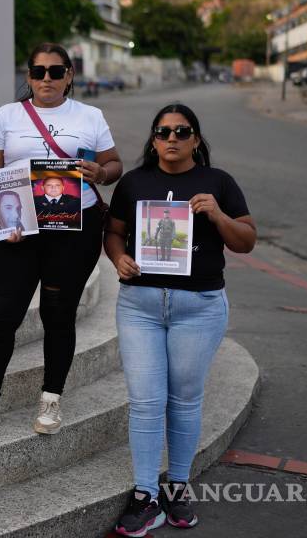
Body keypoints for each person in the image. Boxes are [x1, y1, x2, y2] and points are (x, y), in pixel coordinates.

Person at [104, 103, 256, 537]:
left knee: (185, 399)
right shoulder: (134, 183)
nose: (172, 138)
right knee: (146, 400)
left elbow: (246, 241)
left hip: (199, 306)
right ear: (153, 140)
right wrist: (120, 259)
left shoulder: (218, 182)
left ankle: (178, 484)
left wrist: (217, 214)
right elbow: (112, 232)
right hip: (141, 307)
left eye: (182, 131)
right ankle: (145, 492)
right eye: (163, 131)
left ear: (196, 139)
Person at [0, 42, 122, 435]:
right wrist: (1, 219)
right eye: (39, 71)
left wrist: (100, 173)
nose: (47, 78)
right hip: (20, 230)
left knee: (58, 314)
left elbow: (114, 164)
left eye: (56, 71)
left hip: (74, 228)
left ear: (70, 76)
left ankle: (51, 399)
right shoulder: (9, 115)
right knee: (0, 315)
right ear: (28, 77)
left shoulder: (90, 115)